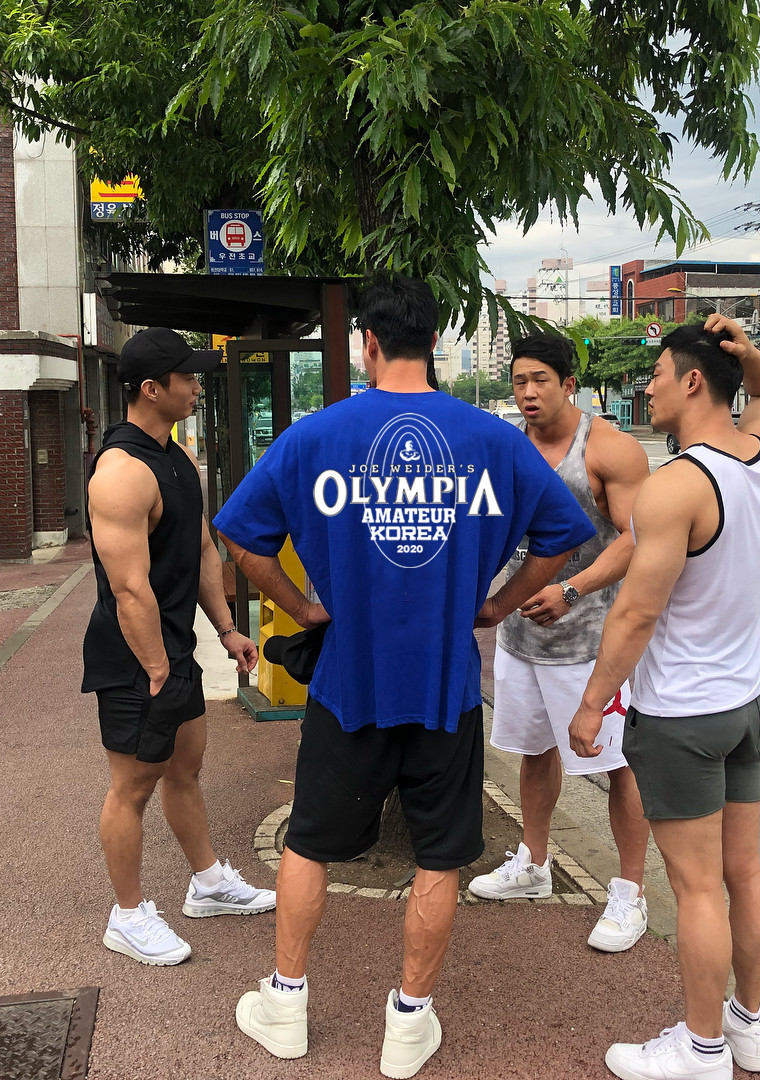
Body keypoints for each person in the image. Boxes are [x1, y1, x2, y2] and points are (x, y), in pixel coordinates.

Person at [214, 274, 594, 1078]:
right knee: (439, 855)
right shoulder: (495, 442)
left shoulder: (317, 436)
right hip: (445, 688)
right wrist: (498, 602)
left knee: (308, 844)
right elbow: (562, 535)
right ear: (433, 340)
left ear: (369, 345)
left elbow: (240, 538)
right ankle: (409, 1025)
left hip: (347, 683)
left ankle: (285, 1003)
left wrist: (300, 607)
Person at [568, 315, 760, 1079]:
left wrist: (593, 700)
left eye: (658, 373)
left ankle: (701, 1053)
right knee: (744, 874)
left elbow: (636, 612)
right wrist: (751, 356)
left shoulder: (677, 485)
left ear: (693, 380)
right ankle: (747, 1028)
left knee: (697, 888)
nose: (648, 386)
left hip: (682, 715)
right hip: (746, 704)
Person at [82, 327, 275, 967]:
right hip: (135, 656)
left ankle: (209, 881)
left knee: (185, 767)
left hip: (177, 648)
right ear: (150, 389)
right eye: (186, 378)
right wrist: (158, 669)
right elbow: (129, 589)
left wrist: (225, 630)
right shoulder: (120, 473)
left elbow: (199, 552)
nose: (197, 386)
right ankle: (127, 915)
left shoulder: (178, 460)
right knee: (131, 786)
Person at [466, 332, 654, 955]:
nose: (527, 393)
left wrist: (570, 590)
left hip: (591, 642)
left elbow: (635, 539)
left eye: (540, 380)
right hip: (521, 636)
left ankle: (630, 892)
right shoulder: (509, 449)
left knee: (617, 765)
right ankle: (535, 863)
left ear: (569, 383)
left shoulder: (609, 449)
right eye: (519, 381)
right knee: (534, 751)